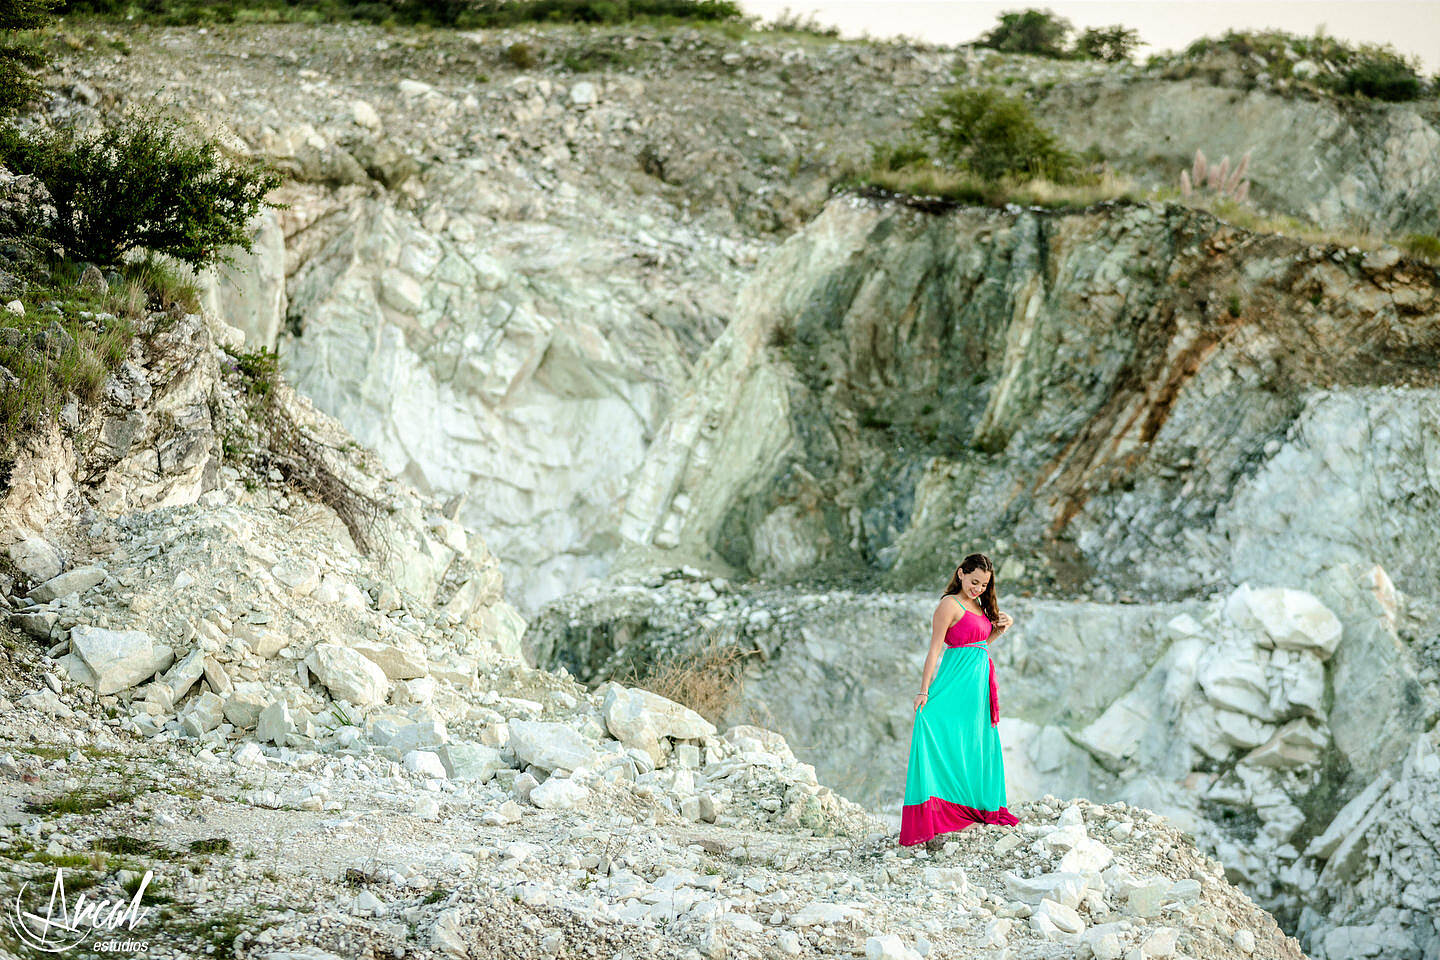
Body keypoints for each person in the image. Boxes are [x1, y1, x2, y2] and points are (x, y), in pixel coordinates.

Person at [899, 552, 1019, 848]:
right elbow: (935, 650)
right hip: (954, 685)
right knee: (942, 734)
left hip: (977, 689)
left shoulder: (978, 605)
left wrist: (1001, 629)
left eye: (984, 585)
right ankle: (939, 811)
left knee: (974, 742)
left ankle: (975, 805)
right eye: (974, 581)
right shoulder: (948, 605)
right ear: (961, 573)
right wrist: (924, 690)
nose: (978, 588)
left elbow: (977, 645)